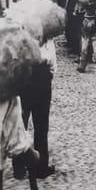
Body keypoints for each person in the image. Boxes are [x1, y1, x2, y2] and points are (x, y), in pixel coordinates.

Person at [13, 39, 57, 179]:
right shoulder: (45, 30)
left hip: (24, 73)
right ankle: (41, 166)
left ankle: (19, 166)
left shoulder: (20, 29)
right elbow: (51, 58)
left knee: (20, 121)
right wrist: (50, 73)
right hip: (41, 73)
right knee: (41, 123)